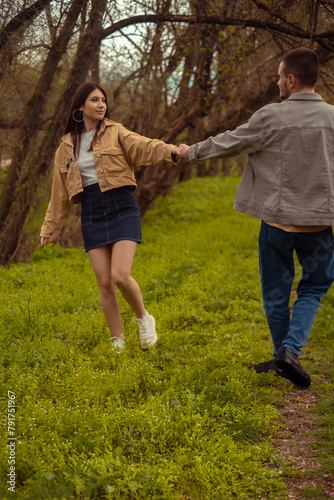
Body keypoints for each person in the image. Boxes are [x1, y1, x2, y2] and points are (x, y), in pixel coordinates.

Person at [179, 47, 334, 387]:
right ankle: (289, 354)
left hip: (277, 224)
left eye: (280, 76)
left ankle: (286, 353)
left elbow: (229, 142)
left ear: (291, 80)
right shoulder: (333, 118)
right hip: (320, 225)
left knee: (277, 294)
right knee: (315, 287)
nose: (278, 82)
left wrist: (190, 152)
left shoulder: (271, 116)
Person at [41, 81, 181, 352]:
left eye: (103, 100)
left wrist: (171, 151)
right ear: (80, 107)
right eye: (95, 100)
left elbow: (144, 147)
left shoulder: (116, 132)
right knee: (104, 282)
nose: (101, 104)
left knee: (119, 274)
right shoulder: (65, 147)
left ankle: (143, 318)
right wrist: (51, 227)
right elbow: (58, 193)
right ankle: (118, 340)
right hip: (92, 212)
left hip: (122, 206)